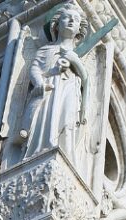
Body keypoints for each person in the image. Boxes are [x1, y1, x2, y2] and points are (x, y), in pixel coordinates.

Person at [20, 2, 90, 159]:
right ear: (56, 25)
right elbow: (35, 68)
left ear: (80, 29)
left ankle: (64, 153)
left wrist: (75, 61)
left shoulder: (74, 54)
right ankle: (39, 149)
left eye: (76, 20)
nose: (71, 21)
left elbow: (85, 79)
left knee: (66, 119)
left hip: (69, 90)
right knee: (45, 118)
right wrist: (39, 82)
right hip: (49, 89)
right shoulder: (46, 49)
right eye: (66, 18)